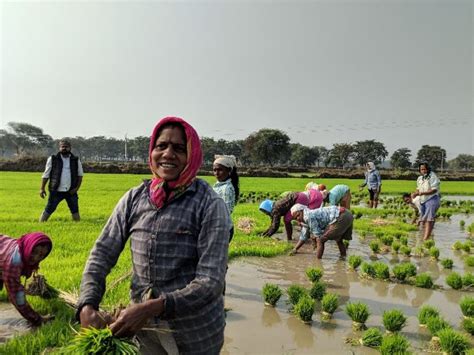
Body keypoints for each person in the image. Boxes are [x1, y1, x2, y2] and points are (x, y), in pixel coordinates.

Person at [77, 117, 231, 355]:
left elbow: (210, 282)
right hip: (144, 331)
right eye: (161, 146)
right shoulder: (134, 198)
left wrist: (152, 308)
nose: (168, 154)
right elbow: (102, 253)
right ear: (152, 151)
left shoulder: (210, 205)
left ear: (192, 156)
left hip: (195, 333)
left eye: (179, 148)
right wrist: (87, 304)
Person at [0, 232, 53, 326]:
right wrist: (37, 319)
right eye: (34, 252)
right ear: (29, 246)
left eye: (41, 255)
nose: (36, 258)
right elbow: (17, 298)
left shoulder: (21, 245)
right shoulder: (14, 263)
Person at [39, 139, 84, 222]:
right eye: (62, 147)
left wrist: (76, 189)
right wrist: (42, 188)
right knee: (49, 209)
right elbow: (46, 174)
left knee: (75, 210)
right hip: (56, 191)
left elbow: (80, 175)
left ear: (70, 148)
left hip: (71, 191)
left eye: (66, 147)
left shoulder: (75, 160)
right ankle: (40, 224)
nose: (64, 148)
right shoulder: (53, 159)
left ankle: (78, 225)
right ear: (59, 148)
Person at [289, 189, 327, 255]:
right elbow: (303, 236)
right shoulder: (304, 220)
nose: (298, 219)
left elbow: (317, 234)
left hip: (333, 218)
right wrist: (295, 249)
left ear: (302, 211)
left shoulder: (309, 216)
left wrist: (314, 239)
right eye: (295, 218)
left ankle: (318, 259)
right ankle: (316, 252)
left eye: (298, 216)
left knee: (318, 237)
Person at [212, 154, 239, 241]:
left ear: (229, 171)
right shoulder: (218, 186)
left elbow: (226, 211)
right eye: (214, 170)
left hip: (222, 228)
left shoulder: (226, 188)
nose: (216, 173)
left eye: (220, 170)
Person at [412, 162, 440, 240]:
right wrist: (415, 193)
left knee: (429, 220)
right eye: (422, 169)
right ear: (419, 170)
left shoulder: (432, 176)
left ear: (428, 169)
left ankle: (425, 239)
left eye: (425, 169)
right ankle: (426, 237)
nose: (423, 171)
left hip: (432, 199)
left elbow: (434, 190)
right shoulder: (420, 178)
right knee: (424, 220)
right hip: (423, 200)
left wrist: (420, 193)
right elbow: (418, 189)